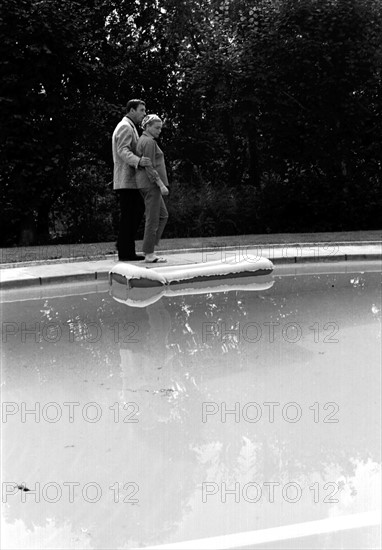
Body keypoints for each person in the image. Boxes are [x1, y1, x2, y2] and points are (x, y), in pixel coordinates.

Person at [112, 99, 152, 261]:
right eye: (141, 110)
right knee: (132, 214)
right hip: (126, 180)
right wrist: (138, 161)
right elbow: (122, 150)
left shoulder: (129, 127)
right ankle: (125, 250)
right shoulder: (125, 127)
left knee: (133, 213)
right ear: (132, 110)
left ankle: (124, 247)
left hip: (130, 181)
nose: (144, 114)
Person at [136, 114, 169, 263]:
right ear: (147, 127)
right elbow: (148, 165)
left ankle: (150, 249)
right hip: (151, 185)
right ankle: (149, 253)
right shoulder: (148, 142)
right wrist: (160, 184)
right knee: (153, 218)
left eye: (160, 128)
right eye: (156, 127)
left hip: (148, 184)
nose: (159, 130)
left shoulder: (145, 140)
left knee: (162, 215)